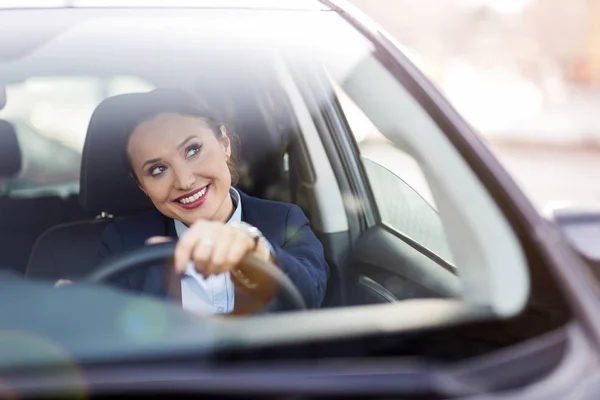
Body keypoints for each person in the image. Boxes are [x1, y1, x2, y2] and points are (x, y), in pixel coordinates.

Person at [94, 88, 329, 314]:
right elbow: (109, 325)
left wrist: (259, 254)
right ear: (141, 185)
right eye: (157, 169)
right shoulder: (123, 242)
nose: (184, 181)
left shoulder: (284, 220)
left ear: (224, 144)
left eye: (193, 150)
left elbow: (311, 296)